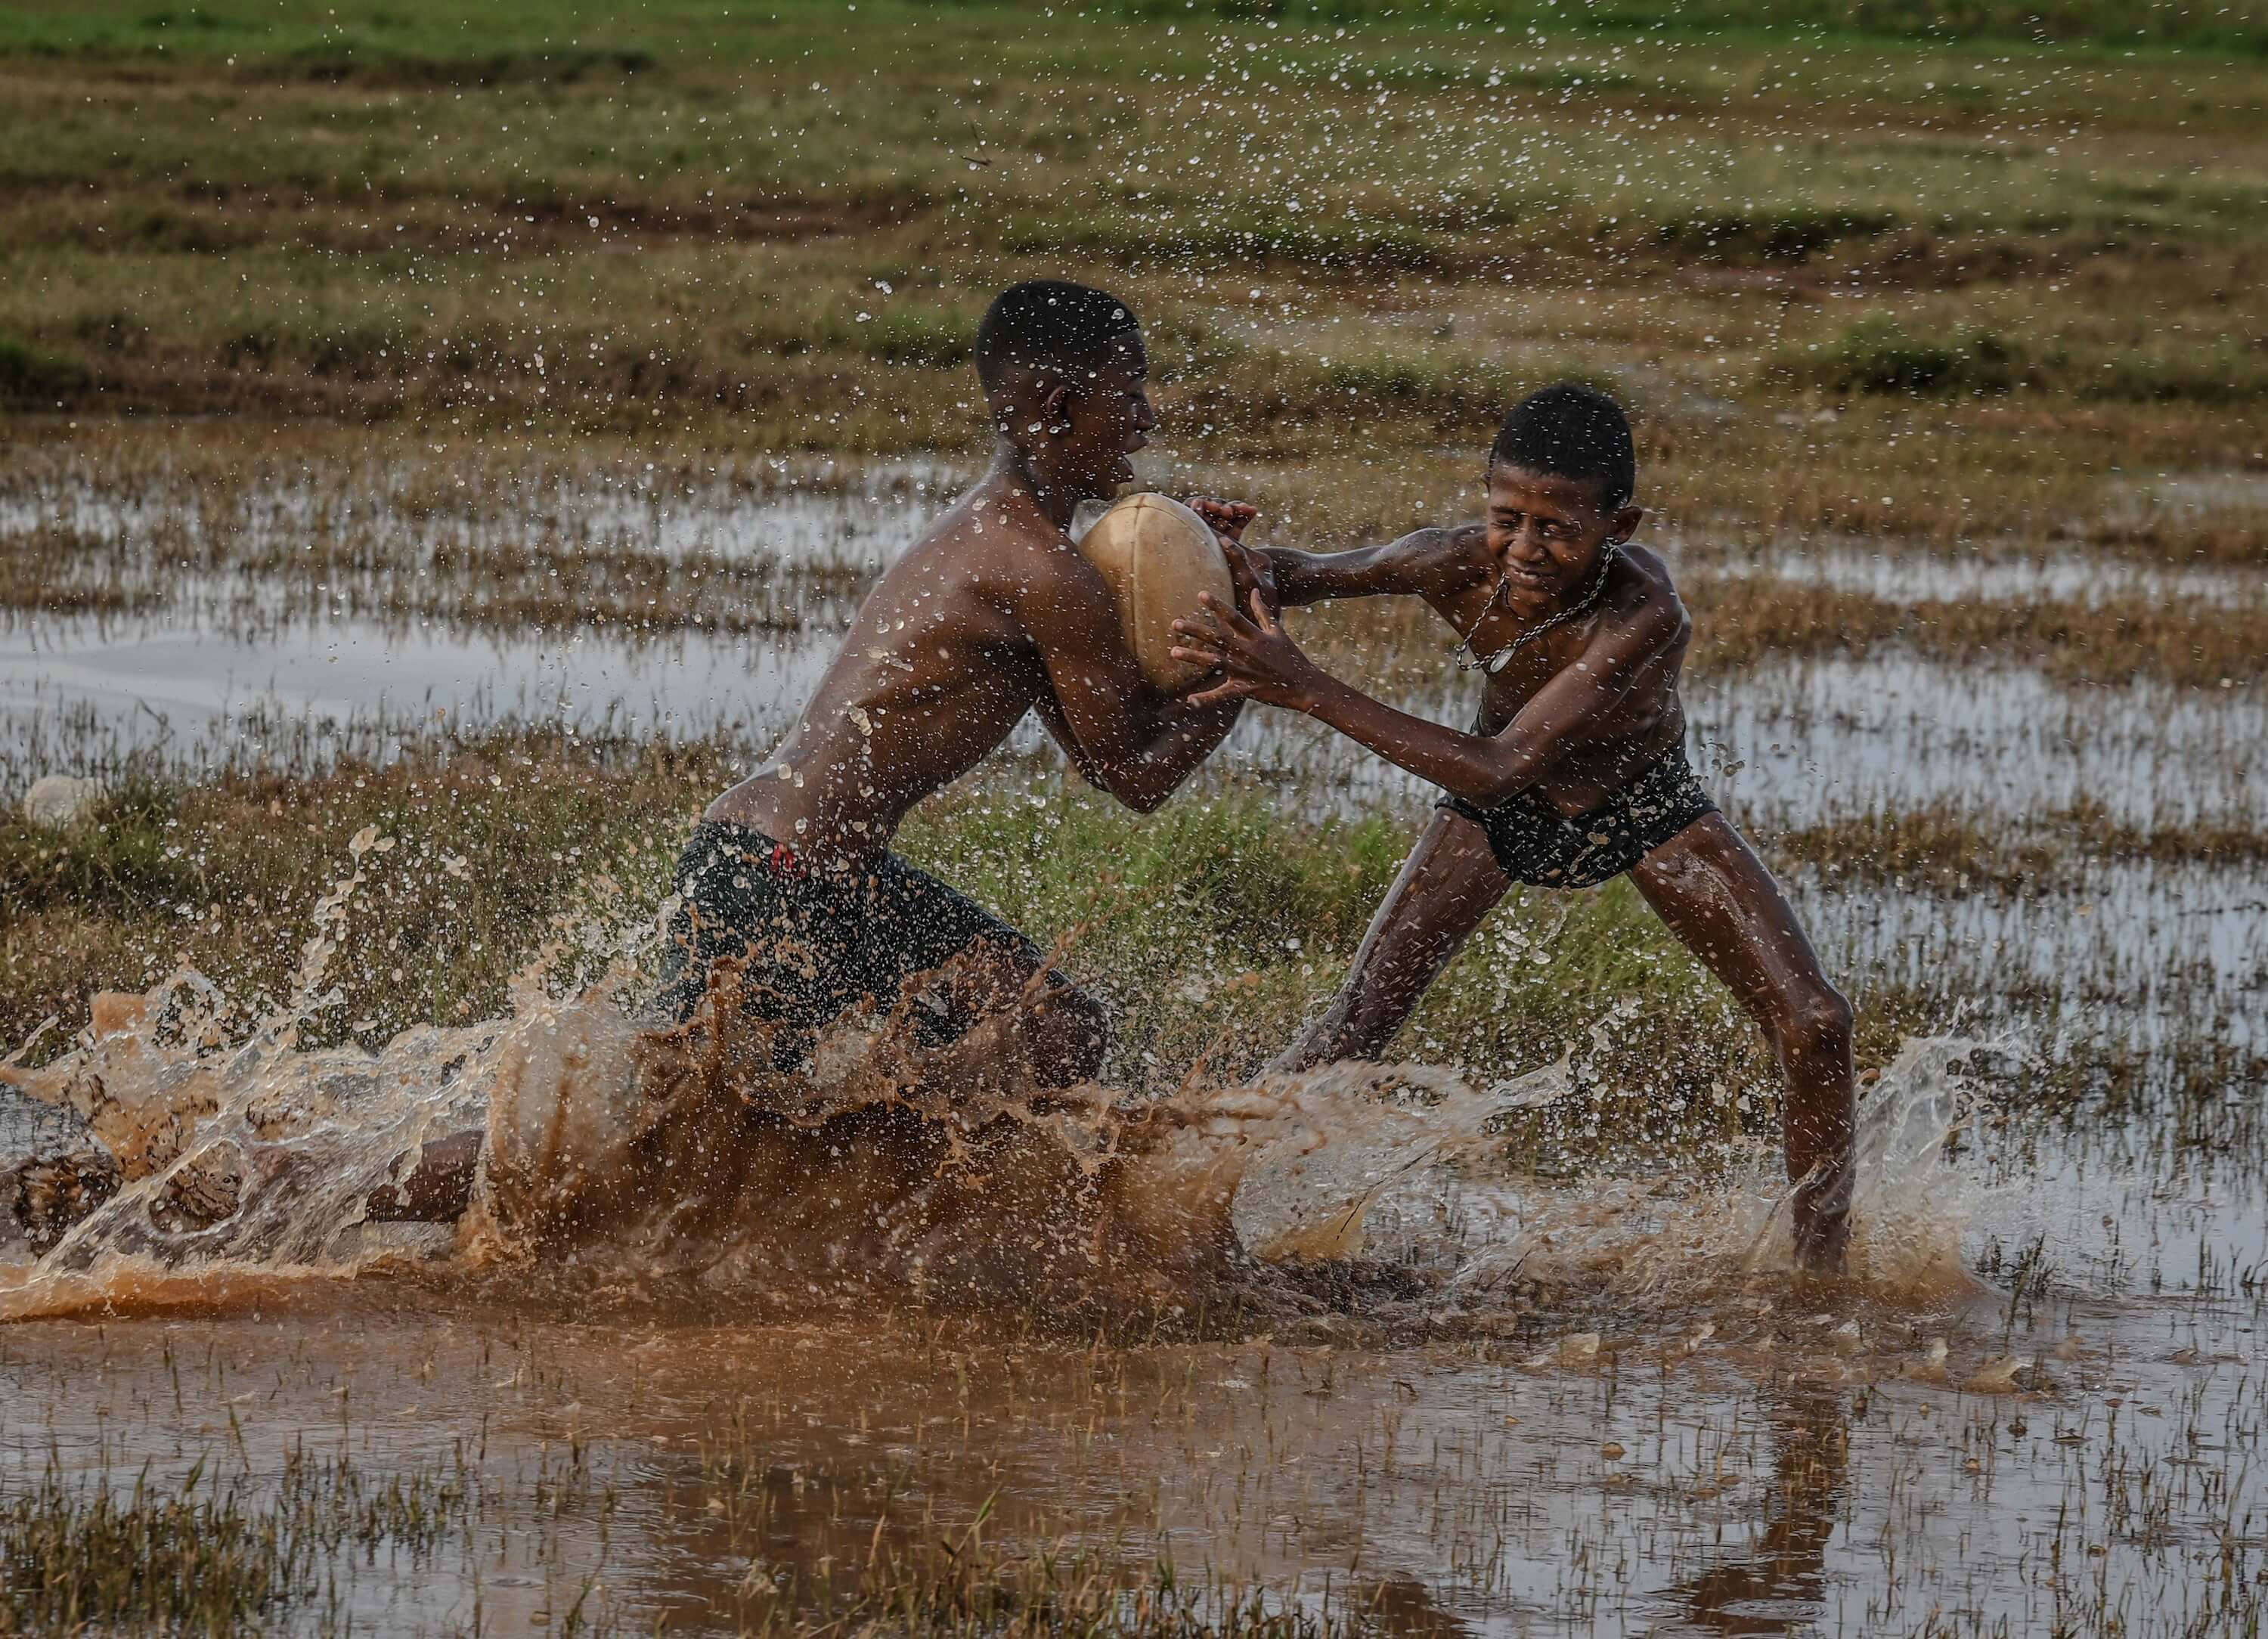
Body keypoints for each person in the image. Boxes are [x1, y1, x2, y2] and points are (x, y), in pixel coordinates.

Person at [371, 278, 1268, 1222]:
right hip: (789, 875)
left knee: (1046, 1032)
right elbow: (1137, 774)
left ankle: (849, 1225)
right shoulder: (1040, 570)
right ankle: (314, 1186)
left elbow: (1107, 738)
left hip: (792, 861)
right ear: (1059, 405)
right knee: (653, 1135)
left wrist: (1207, 576)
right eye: (1129, 394)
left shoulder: (1011, 541)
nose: (1145, 420)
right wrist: (1252, 665)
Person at [1168, 384, 1854, 1269]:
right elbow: (1286, 573)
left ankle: (1821, 1277)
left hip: (1640, 801)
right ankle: (1184, 1202)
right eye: (1507, 517)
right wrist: (1206, 545)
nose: (1525, 549)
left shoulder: (1644, 612)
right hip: (1498, 812)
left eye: (1557, 527)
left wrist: (1305, 686)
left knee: (1816, 1021)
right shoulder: (1451, 559)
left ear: (1620, 523)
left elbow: (1500, 763)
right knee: (1355, 1027)